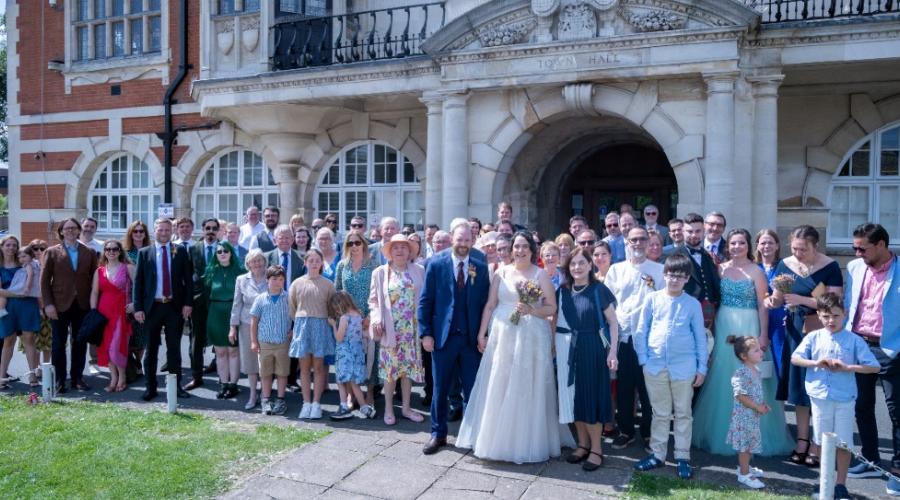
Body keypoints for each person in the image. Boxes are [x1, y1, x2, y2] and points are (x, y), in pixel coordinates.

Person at [456, 231, 566, 464]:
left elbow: (551, 308)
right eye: (516, 246)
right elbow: (490, 305)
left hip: (531, 335)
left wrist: (532, 311)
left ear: (531, 250)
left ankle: (526, 440)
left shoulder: (540, 275)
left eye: (525, 246)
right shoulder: (500, 273)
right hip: (502, 333)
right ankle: (496, 439)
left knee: (526, 384)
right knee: (500, 381)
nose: (520, 250)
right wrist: (481, 333)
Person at [692, 229, 793, 457]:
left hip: (749, 326)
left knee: (750, 376)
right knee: (722, 376)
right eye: (734, 243)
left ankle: (756, 436)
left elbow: (761, 305)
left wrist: (763, 334)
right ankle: (722, 431)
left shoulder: (756, 272)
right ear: (728, 246)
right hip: (725, 324)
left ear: (749, 246)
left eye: (742, 243)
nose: (737, 247)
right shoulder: (722, 269)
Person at [766, 225, 843, 467]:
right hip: (794, 331)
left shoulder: (830, 267)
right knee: (799, 389)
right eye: (795, 248)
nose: (798, 254)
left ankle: (819, 444)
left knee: (819, 390)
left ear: (815, 246)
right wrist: (774, 300)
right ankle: (802, 440)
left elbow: (835, 303)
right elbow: (778, 298)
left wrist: (802, 299)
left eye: (803, 249)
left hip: (821, 331)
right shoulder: (785, 265)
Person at [792, 293, 879, 500]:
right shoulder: (813, 337)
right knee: (821, 441)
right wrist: (815, 363)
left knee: (843, 442)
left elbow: (873, 366)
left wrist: (848, 367)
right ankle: (825, 481)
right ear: (819, 316)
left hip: (844, 398)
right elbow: (796, 358)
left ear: (845, 314)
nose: (831, 321)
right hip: (820, 396)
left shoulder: (854, 340)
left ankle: (841, 484)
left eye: (836, 316)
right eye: (826, 316)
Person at [633, 253, 708, 479]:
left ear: (687, 279)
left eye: (680, 276)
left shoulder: (692, 304)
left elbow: (700, 338)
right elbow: (641, 330)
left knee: (683, 413)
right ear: (664, 275)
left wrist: (701, 367)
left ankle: (682, 456)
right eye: (670, 275)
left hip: (684, 367)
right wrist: (644, 360)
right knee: (660, 412)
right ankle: (657, 454)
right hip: (655, 366)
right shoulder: (653, 299)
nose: (674, 279)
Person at [418, 221, 490, 455]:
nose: (463, 245)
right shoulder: (436, 264)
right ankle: (438, 434)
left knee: (472, 390)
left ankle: (472, 434)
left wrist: (483, 335)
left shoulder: (480, 266)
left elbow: (484, 303)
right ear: (452, 238)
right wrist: (426, 333)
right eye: (459, 240)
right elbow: (425, 301)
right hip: (442, 339)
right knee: (440, 389)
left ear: (473, 241)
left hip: (469, 340)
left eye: (467, 240)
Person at [843, 223, 900, 492]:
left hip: (891, 349)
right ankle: (870, 458)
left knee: (896, 410)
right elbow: (849, 304)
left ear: (881, 245)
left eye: (862, 248)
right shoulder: (855, 269)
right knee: (862, 406)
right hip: (859, 345)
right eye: (854, 248)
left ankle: (898, 469)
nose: (857, 254)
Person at [555, 246, 619, 471]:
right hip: (567, 351)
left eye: (582, 262)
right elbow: (555, 320)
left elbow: (613, 322)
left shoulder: (598, 290)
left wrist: (613, 352)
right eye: (573, 263)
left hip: (592, 348)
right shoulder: (562, 290)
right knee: (574, 400)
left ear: (590, 265)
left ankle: (596, 450)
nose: (577, 267)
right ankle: (582, 445)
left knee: (591, 399)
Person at [604, 227, 664, 453]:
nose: (637, 243)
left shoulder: (659, 270)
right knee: (624, 387)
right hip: (623, 337)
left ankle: (648, 432)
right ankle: (626, 431)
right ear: (627, 243)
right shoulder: (616, 270)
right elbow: (609, 303)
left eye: (642, 239)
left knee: (648, 388)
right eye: (633, 240)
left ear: (649, 242)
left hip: (650, 338)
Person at [133, 217, 193, 401]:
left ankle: (175, 387)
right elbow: (138, 282)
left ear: (171, 231)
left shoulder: (180, 251)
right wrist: (138, 308)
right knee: (151, 350)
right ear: (155, 230)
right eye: (161, 230)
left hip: (174, 307)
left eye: (167, 230)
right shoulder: (145, 253)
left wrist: (188, 303)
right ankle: (151, 387)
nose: (164, 233)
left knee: (174, 350)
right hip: (152, 308)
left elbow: (188, 280)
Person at [368, 234, 425, 426]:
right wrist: (376, 319)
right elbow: (374, 300)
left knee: (407, 371)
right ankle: (389, 408)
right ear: (390, 252)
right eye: (396, 247)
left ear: (410, 251)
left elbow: (424, 299)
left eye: (403, 247)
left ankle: (407, 408)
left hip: (411, 330)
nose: (400, 250)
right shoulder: (380, 272)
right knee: (390, 372)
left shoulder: (419, 270)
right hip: (390, 329)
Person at [41, 218, 99, 393]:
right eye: (67, 229)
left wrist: (93, 304)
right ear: (61, 231)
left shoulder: (88, 252)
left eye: (74, 228)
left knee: (79, 342)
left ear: (79, 230)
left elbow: (93, 279)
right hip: (59, 305)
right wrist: (48, 304)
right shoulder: (51, 252)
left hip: (82, 304)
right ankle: (60, 380)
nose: (71, 231)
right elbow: (44, 281)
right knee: (58, 344)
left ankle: (77, 378)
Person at [288, 248, 336, 419]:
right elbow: (292, 307)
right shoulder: (297, 283)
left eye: (317, 260)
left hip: (321, 327)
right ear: (305, 262)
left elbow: (332, 307)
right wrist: (301, 321)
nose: (314, 263)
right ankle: (306, 403)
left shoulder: (328, 284)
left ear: (321, 263)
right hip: (303, 326)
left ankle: (316, 403)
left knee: (318, 367)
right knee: (305, 367)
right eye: (311, 260)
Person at [334, 231, 377, 408]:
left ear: (364, 244)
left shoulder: (373, 265)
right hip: (348, 321)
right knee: (350, 356)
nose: (354, 246)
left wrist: (370, 316)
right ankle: (351, 394)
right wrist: (340, 316)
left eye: (357, 243)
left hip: (368, 318)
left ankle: (370, 394)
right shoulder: (342, 266)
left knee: (369, 357)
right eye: (350, 243)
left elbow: (378, 293)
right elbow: (337, 292)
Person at [90, 240, 134, 393]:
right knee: (106, 346)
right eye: (108, 249)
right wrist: (93, 311)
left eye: (115, 249)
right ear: (104, 251)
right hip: (103, 312)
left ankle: (122, 377)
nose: (111, 251)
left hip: (121, 312)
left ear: (120, 251)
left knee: (117, 346)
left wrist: (135, 304)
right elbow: (95, 292)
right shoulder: (99, 271)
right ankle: (113, 377)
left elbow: (138, 288)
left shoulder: (128, 268)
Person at [725, 336, 769, 490]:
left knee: (749, 442)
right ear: (744, 356)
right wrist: (757, 407)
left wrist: (762, 405)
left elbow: (754, 393)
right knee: (745, 446)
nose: (760, 352)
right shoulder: (741, 373)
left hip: (752, 416)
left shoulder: (756, 370)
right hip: (743, 418)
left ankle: (746, 467)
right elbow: (740, 395)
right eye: (755, 350)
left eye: (759, 349)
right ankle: (744, 474)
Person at [250, 265, 293, 416]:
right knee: (266, 373)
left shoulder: (288, 298)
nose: (277, 282)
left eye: (281, 279)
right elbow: (254, 321)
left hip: (282, 343)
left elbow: (295, 317)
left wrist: (293, 331)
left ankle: (280, 399)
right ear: (267, 280)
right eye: (274, 279)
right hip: (265, 343)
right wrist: (254, 341)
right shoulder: (260, 299)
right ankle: (266, 399)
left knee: (282, 372)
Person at [183, 218, 221, 391]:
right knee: (196, 340)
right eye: (207, 228)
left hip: (219, 301)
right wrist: (188, 302)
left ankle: (224, 378)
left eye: (214, 228)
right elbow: (187, 279)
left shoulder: (224, 248)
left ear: (218, 230)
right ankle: (196, 376)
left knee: (221, 341)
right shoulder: (192, 249)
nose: (210, 231)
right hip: (197, 301)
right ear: (202, 230)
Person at [204, 241, 244, 399]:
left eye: (225, 251)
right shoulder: (211, 272)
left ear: (231, 253)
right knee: (220, 352)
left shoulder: (240, 271)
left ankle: (233, 384)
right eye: (219, 251)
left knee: (233, 351)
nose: (222, 254)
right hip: (216, 313)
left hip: (233, 312)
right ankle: (223, 383)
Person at [0, 238, 42, 389]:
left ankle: (32, 374)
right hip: (8, 306)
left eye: (14, 245)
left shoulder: (24, 263)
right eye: (7, 245)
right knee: (8, 340)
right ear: (2, 247)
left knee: (29, 338)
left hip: (28, 305)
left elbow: (36, 282)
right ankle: (2, 376)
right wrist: (19, 295)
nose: (11, 248)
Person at [230, 249, 268, 410]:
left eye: (260, 260)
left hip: (268, 324)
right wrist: (232, 327)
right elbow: (236, 304)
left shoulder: (271, 277)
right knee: (251, 361)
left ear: (264, 262)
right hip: (247, 324)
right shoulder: (241, 280)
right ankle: (253, 394)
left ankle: (265, 394)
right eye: (254, 261)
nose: (257, 263)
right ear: (248, 264)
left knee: (266, 360)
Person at [669, 213, 721, 332]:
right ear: (683, 231)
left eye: (698, 231)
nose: (694, 235)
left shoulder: (708, 255)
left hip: (709, 312)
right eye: (690, 231)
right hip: (684, 311)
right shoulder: (673, 255)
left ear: (703, 231)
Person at [328, 291, 375, 420]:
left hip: (345, 354)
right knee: (355, 383)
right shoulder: (358, 315)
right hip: (357, 353)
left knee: (341, 381)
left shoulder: (344, 318)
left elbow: (339, 338)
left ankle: (343, 407)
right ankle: (365, 408)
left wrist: (333, 325)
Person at [756, 229, 787, 381]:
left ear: (777, 246)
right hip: (757, 317)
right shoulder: (754, 268)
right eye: (763, 243)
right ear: (757, 246)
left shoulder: (785, 266)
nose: (766, 246)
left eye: (770, 242)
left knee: (778, 358)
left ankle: (779, 399)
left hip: (778, 318)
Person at [0, 245, 40, 319]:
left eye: (24, 256)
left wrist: (27, 287)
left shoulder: (28, 265)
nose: (21, 259)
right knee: (3, 294)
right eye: (19, 257)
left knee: (4, 294)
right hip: (24, 290)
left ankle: (1, 309)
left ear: (31, 256)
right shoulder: (33, 264)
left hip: (23, 287)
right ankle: (1, 309)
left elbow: (30, 276)